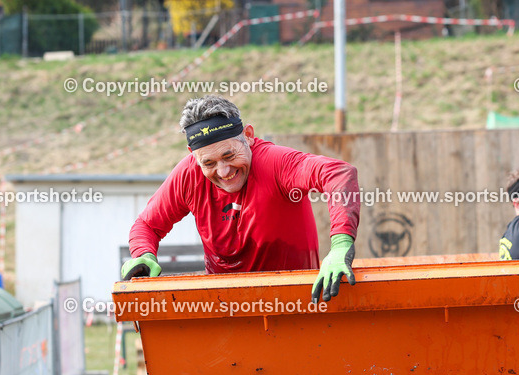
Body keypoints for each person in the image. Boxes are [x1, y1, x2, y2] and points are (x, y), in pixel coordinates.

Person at [122, 95, 361, 302]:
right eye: (209, 163)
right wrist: (144, 255)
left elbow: (338, 174)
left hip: (295, 302)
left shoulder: (274, 163)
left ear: (248, 136)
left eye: (229, 155)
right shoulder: (189, 175)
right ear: (193, 156)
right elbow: (147, 225)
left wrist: (340, 246)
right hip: (227, 307)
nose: (224, 171)